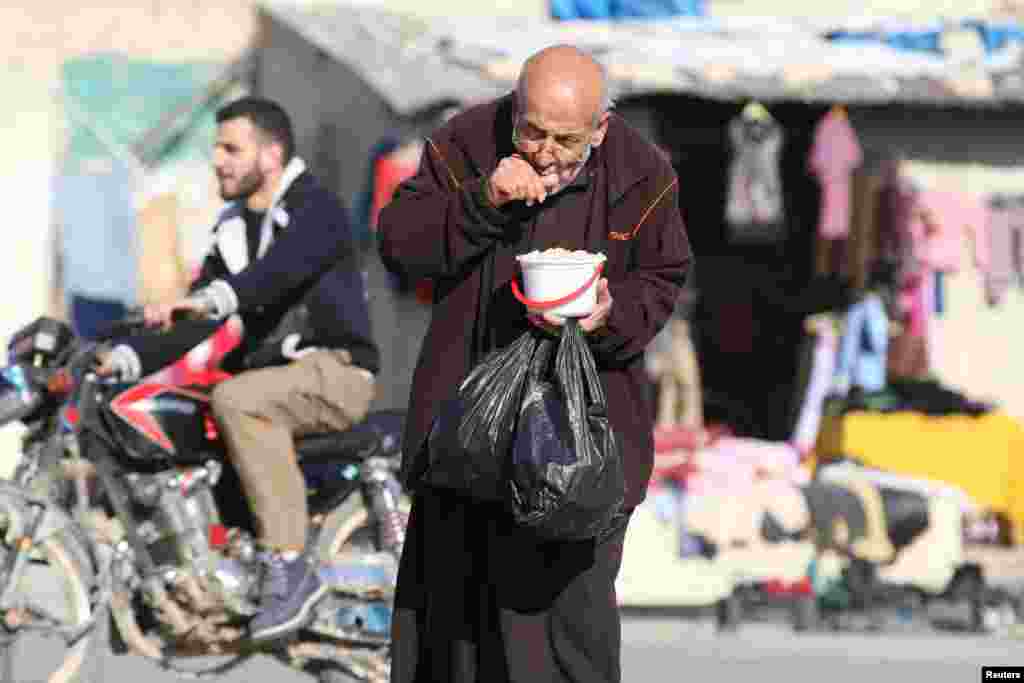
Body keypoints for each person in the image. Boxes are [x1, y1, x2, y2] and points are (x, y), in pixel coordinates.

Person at [378, 45, 692, 682]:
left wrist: (609, 314)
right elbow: (400, 245)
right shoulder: (466, 142)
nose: (544, 152)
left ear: (601, 128)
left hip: (582, 454)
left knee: (564, 646)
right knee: (452, 643)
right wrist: (482, 199)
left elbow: (663, 277)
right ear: (514, 110)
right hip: (466, 444)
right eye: (532, 132)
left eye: (565, 139)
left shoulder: (643, 174)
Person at [96, 96, 380, 641]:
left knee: (237, 399)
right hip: (273, 383)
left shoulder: (315, 208)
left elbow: (275, 274)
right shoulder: (233, 228)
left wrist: (210, 300)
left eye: (231, 149)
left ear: (271, 155)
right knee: (183, 416)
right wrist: (124, 359)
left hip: (335, 370)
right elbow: (196, 318)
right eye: (216, 150)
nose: (218, 161)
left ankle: (291, 567)